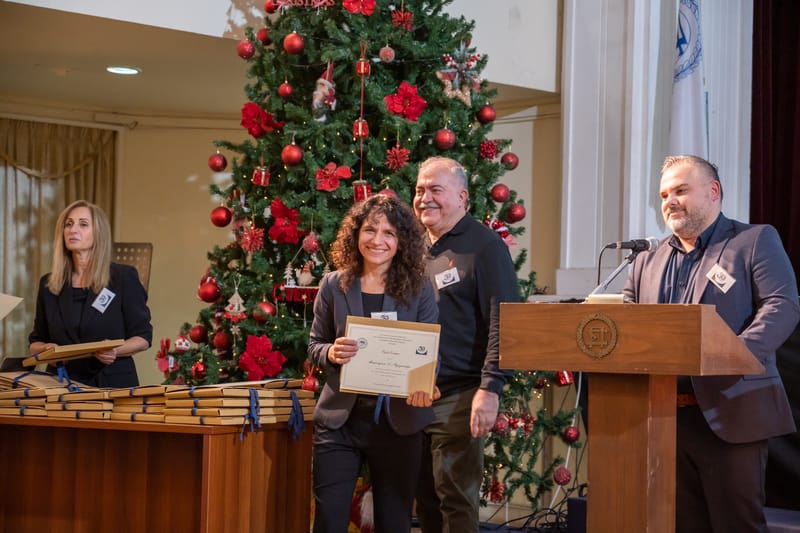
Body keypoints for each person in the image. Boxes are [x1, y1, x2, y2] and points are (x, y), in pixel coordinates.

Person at [623, 155, 799, 532]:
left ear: (713, 191)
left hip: (730, 410)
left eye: (680, 190)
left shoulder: (752, 241)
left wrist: (734, 355)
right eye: (664, 195)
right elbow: (627, 324)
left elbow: (782, 305)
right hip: (663, 419)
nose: (670, 201)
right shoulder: (645, 261)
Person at [308, 194, 439, 533]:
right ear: (356, 234)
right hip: (340, 420)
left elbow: (428, 350)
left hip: (399, 421)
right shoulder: (333, 285)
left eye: (389, 233)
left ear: (401, 241)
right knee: (328, 520)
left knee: (394, 523)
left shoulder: (420, 288)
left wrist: (425, 384)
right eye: (369, 229)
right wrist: (330, 353)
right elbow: (314, 345)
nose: (377, 240)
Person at [412, 156, 520, 533]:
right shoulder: (413, 246)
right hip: (414, 393)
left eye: (435, 189)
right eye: (419, 190)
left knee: (455, 499)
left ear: (462, 197)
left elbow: (504, 321)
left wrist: (490, 388)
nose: (425, 198)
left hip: (459, 395)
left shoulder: (485, 246)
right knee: (424, 498)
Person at [28, 200, 152, 388]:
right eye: (68, 224)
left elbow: (143, 337)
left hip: (112, 385)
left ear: (98, 233)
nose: (73, 230)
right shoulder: (49, 284)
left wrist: (115, 350)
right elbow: (35, 342)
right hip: (62, 386)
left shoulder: (123, 277)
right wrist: (46, 350)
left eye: (83, 224)